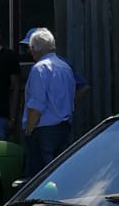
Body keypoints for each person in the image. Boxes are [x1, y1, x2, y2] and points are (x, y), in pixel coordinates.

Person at [21, 27, 85, 176]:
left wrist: (29, 128)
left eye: (30, 48)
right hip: (63, 127)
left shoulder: (39, 69)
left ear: (34, 48)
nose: (29, 52)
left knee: (40, 177)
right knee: (59, 173)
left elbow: (37, 104)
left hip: (43, 130)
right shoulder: (65, 67)